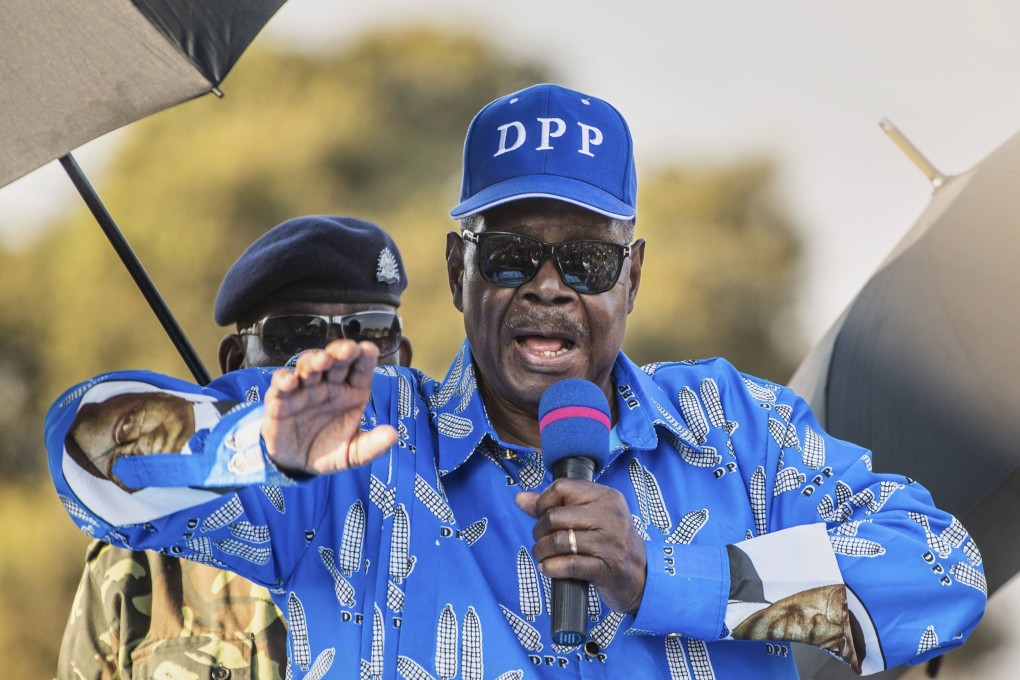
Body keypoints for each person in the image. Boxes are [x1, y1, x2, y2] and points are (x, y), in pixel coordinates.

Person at [47, 85, 985, 678]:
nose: (545, 287)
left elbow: (945, 574)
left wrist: (669, 577)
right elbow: (84, 453)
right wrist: (251, 449)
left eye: (583, 259)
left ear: (633, 275)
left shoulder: (738, 428)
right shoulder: (355, 434)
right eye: (509, 256)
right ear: (458, 273)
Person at [57, 215, 411, 679]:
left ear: (401, 359)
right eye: (295, 334)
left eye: (367, 330)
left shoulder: (444, 525)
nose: (332, 359)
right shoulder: (144, 554)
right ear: (236, 362)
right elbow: (84, 438)